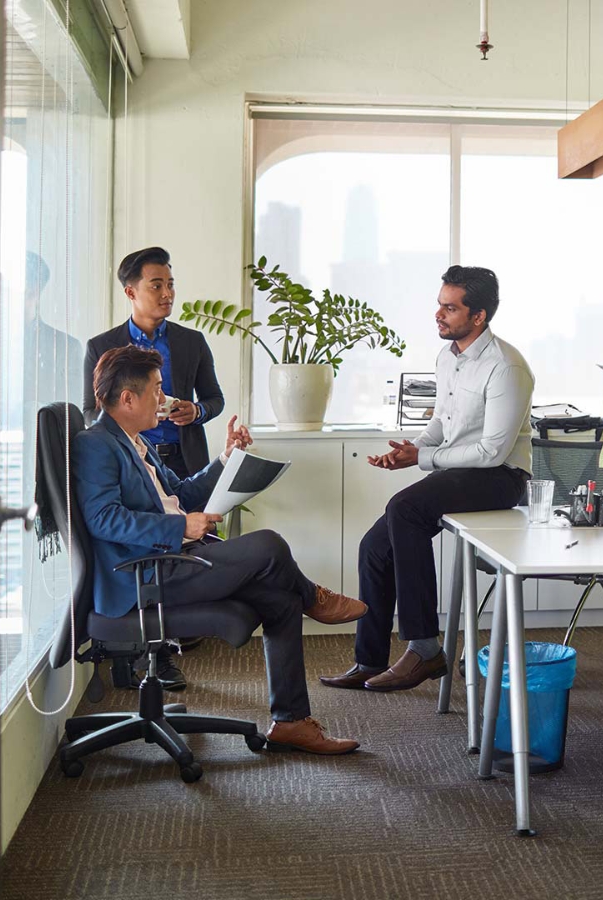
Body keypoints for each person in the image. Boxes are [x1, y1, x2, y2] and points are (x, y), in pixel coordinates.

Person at [73, 345, 366, 754]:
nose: (165, 400)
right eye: (157, 390)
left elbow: (178, 492)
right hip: (146, 577)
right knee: (268, 544)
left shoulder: (136, 442)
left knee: (280, 602)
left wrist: (228, 458)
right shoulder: (97, 444)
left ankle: (292, 723)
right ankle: (314, 597)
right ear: (127, 399)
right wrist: (180, 527)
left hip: (175, 560)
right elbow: (103, 519)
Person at [321, 265, 534, 692]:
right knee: (374, 548)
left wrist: (425, 458)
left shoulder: (506, 367)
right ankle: (369, 659)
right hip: (459, 471)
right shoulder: (448, 357)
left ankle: (424, 647)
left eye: (450, 308)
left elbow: (492, 450)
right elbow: (442, 420)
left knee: (406, 507)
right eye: (439, 304)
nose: (439, 314)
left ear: (479, 316)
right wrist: (411, 450)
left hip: (501, 477)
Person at [83, 247, 223, 480]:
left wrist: (196, 411)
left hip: (186, 462)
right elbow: (89, 413)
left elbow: (215, 399)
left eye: (170, 284)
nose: (167, 294)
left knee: (193, 517)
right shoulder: (101, 347)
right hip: (128, 461)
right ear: (130, 292)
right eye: (156, 286)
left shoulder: (192, 341)